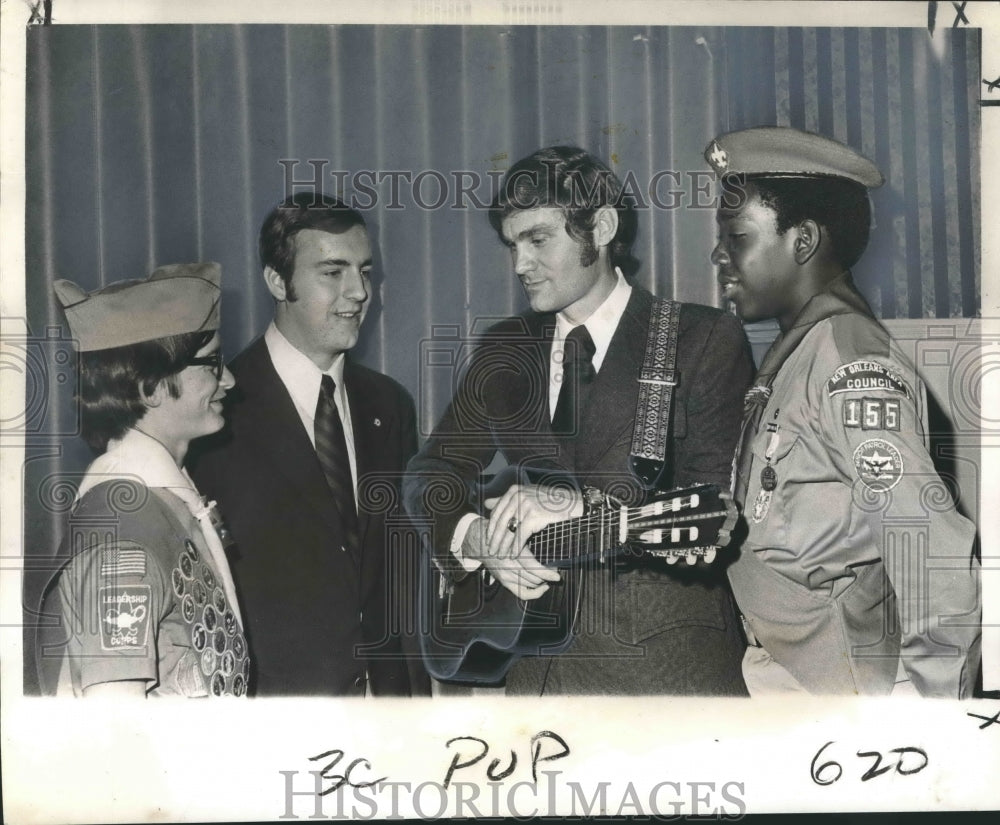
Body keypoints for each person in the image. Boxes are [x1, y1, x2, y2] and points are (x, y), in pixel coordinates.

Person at [404, 146, 753, 695]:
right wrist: (474, 537)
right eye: (512, 245)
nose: (520, 264)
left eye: (538, 239)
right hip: (533, 678)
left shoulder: (700, 340)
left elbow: (716, 509)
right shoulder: (504, 351)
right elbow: (430, 472)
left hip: (662, 678)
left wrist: (580, 504)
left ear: (602, 226)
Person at [705, 126, 981, 697]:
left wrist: (928, 733)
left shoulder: (849, 362)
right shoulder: (804, 351)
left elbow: (930, 551)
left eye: (736, 236)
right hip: (790, 671)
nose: (719, 255)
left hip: (841, 691)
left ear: (803, 242)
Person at [190, 194, 427, 697]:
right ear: (278, 281)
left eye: (364, 271)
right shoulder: (215, 411)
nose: (359, 291)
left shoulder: (391, 405)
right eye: (332, 272)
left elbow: (402, 575)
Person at [38, 262, 248, 697]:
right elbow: (117, 729)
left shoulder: (161, 497)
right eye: (212, 364)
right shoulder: (123, 528)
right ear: (151, 388)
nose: (229, 379)